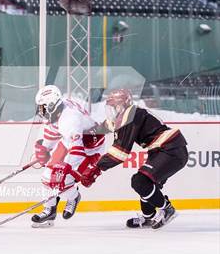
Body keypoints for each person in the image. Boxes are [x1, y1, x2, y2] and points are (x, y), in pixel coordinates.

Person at [83, 89, 188, 229]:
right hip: (164, 150)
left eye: (114, 107)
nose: (111, 111)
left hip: (170, 150)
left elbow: (120, 152)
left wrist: (97, 168)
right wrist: (89, 134)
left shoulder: (130, 115)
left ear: (122, 105)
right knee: (147, 185)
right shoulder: (126, 115)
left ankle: (167, 209)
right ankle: (148, 218)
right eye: (109, 107)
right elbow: (106, 126)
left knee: (140, 181)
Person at [33, 85, 105, 227]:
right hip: (70, 140)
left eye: (42, 107)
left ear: (52, 105)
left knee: (63, 180)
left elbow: (77, 150)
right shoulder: (59, 109)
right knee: (47, 176)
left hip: (90, 149)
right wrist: (45, 148)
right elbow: (54, 130)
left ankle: (74, 197)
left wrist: (65, 168)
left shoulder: (70, 119)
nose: (40, 111)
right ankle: (49, 210)